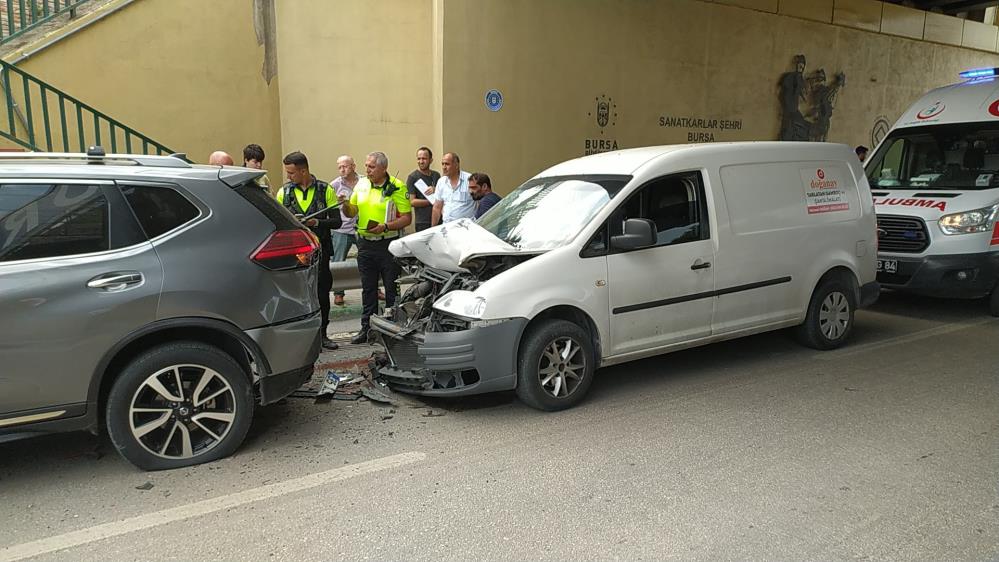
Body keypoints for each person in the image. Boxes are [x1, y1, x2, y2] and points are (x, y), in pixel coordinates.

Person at [341, 151, 412, 344]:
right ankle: (367, 329)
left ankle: (393, 329)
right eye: (366, 166)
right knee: (368, 289)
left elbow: (407, 218)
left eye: (372, 167)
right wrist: (345, 204)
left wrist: (386, 226)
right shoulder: (362, 184)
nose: (367, 170)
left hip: (387, 243)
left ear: (383, 168)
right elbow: (351, 212)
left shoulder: (397, 186)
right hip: (365, 243)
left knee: (391, 288)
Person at [276, 151, 342, 350]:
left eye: (291, 173)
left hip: (320, 252)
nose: (288, 177)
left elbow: (337, 221)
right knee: (294, 297)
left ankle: (323, 335)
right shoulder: (284, 192)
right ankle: (298, 339)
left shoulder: (326, 189)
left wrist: (317, 222)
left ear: (303, 171)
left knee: (321, 293)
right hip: (293, 255)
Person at [330, 155, 360, 306]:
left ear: (353, 166)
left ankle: (375, 289)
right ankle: (338, 293)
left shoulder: (364, 182)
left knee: (368, 259)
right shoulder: (334, 185)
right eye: (339, 167)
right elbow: (329, 205)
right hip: (342, 229)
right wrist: (337, 201)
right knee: (338, 262)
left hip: (361, 227)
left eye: (345, 166)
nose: (342, 169)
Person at [430, 152, 474, 225]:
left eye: (447, 164)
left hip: (466, 228)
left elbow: (480, 202)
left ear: (456, 165)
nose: (444, 167)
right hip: (447, 226)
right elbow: (437, 207)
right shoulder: (441, 182)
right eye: (442, 164)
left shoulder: (470, 180)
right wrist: (433, 228)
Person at [406, 146, 441, 232]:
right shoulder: (412, 177)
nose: (421, 161)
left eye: (424, 159)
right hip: (422, 222)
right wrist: (431, 201)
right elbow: (412, 201)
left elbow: (443, 196)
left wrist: (436, 189)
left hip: (439, 219)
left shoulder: (436, 175)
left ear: (431, 160)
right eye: (419, 159)